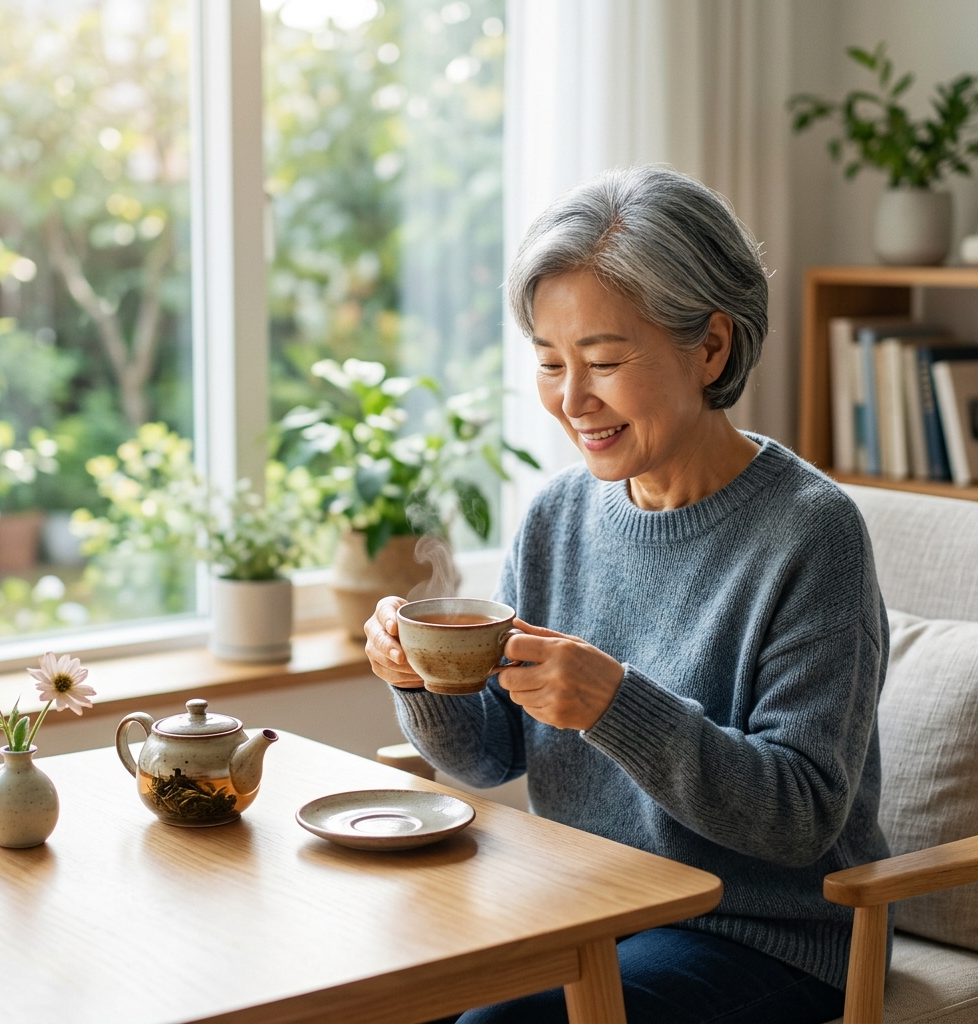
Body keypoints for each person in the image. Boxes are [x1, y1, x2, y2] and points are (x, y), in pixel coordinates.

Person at [364, 165, 889, 1024]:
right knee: (372, 992)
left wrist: (615, 705)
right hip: (587, 907)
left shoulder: (811, 533)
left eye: (604, 362)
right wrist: (417, 677)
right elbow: (489, 756)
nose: (572, 400)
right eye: (550, 363)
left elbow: (800, 817)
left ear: (710, 347)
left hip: (760, 934)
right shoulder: (558, 516)